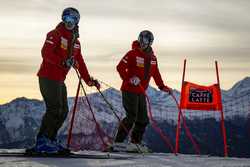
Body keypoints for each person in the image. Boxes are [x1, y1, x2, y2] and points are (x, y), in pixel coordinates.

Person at [28, 7, 100, 154]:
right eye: (66, 18)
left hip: (60, 80)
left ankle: (50, 139)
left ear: (77, 22)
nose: (69, 22)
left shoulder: (76, 43)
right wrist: (63, 62)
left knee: (63, 111)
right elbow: (46, 53)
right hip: (48, 77)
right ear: (63, 19)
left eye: (73, 19)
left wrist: (89, 81)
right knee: (54, 109)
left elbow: (81, 63)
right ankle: (43, 141)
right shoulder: (55, 34)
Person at [113, 30, 172, 152]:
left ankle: (135, 143)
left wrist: (162, 87)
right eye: (141, 39)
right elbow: (120, 67)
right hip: (129, 90)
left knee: (143, 119)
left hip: (141, 92)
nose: (143, 42)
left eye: (146, 40)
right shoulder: (132, 54)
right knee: (131, 116)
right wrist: (129, 78)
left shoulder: (153, 58)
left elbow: (156, 74)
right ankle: (118, 142)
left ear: (150, 42)